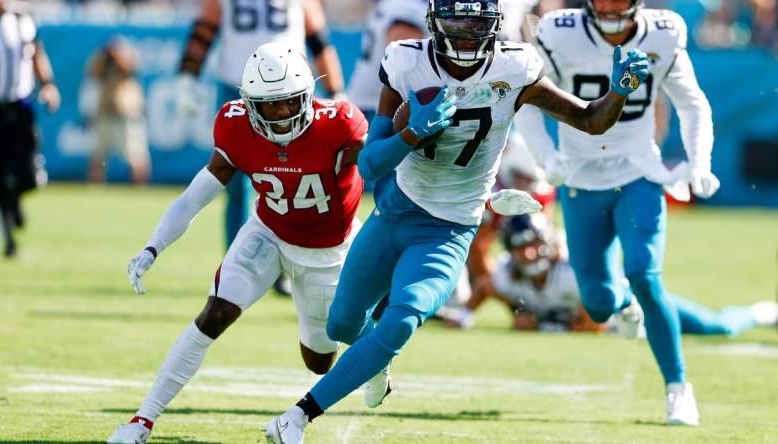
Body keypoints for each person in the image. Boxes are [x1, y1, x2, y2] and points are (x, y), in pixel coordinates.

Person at [263, 1, 652, 442]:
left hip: (448, 228)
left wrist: (619, 92)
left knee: (400, 320)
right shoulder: (406, 61)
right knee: (341, 326)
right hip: (395, 212)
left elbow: (589, 119)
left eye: (477, 20)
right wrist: (410, 134)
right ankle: (375, 360)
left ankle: (297, 416)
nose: (467, 31)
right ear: (434, 19)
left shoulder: (516, 66)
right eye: (457, 19)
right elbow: (369, 165)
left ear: (495, 23)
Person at [106, 42, 368, 444]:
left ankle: (375, 353)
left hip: (327, 251)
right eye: (269, 106)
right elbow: (197, 194)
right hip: (269, 232)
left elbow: (384, 164)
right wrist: (153, 245)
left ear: (307, 95)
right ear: (248, 103)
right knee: (214, 314)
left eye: (288, 102)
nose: (280, 114)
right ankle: (141, 421)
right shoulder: (235, 125)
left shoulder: (341, 124)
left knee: (319, 361)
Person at [516, 0, 720, 426]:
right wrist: (546, 158)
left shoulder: (663, 32)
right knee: (599, 304)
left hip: (637, 173)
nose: (610, 5)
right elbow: (528, 99)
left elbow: (693, 105)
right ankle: (624, 303)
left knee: (645, 271)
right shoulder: (560, 31)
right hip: (580, 177)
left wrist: (699, 162)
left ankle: (677, 387)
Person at [177, 0, 347, 251]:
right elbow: (205, 29)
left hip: (289, 95)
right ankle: (238, 257)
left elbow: (318, 40)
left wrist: (336, 90)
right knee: (233, 178)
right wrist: (187, 75)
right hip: (241, 90)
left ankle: (288, 255)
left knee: (294, 178)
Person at [446, 214, 778, 337]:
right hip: (617, 329)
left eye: (534, 245)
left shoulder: (571, 272)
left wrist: (540, 324)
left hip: (632, 308)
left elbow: (593, 323)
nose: (530, 254)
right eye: (521, 249)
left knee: (713, 327)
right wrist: (464, 314)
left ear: (548, 243)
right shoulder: (509, 275)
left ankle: (764, 312)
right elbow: (487, 286)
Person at [0, 0, 60, 258]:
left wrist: (49, 85)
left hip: (22, 105)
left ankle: (16, 196)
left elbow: (37, 53)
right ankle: (8, 238)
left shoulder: (22, 18)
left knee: (28, 175)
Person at [87, 36, 150, 185]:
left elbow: (129, 67)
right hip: (105, 114)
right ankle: (94, 191)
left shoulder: (128, 62)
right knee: (98, 157)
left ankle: (139, 190)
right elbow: (93, 72)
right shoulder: (103, 64)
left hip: (126, 115)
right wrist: (104, 55)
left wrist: (119, 54)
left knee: (135, 156)